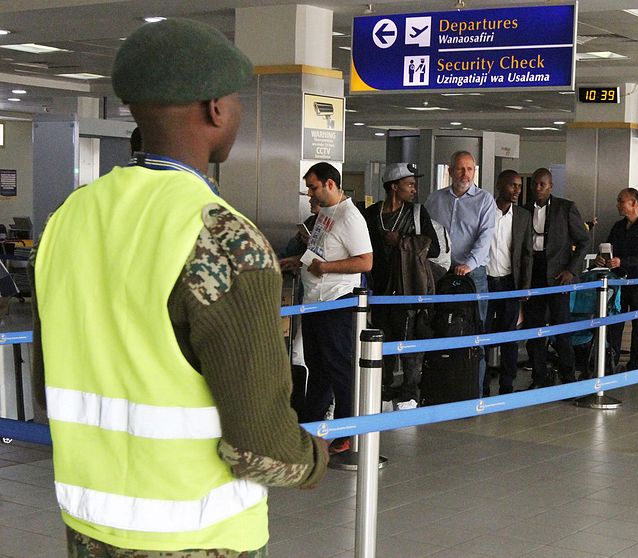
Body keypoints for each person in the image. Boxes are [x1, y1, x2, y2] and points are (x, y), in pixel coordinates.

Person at [31, 19, 328, 556]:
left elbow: (49, 384)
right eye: (238, 101)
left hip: (89, 527)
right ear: (216, 108)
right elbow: (262, 449)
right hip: (197, 536)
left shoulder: (67, 219)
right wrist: (313, 459)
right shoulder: (224, 238)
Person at [280, 162, 373, 433]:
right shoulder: (326, 214)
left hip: (337, 303)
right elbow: (318, 252)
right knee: (317, 367)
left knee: (340, 370)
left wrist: (326, 268)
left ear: (330, 184)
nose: (310, 194)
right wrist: (296, 261)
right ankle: (312, 425)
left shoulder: (350, 217)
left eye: (312, 187)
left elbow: (365, 262)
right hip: (314, 302)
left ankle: (346, 430)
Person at [364, 163, 439, 409]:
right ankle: (382, 391)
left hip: (410, 289)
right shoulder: (372, 214)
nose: (414, 189)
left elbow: (434, 248)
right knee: (381, 344)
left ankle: (410, 394)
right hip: (379, 290)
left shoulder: (417, 213)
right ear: (394, 187)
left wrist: (403, 241)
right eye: (409, 184)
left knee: (410, 344)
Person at [523, 167, 591, 387]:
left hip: (558, 275)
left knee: (562, 329)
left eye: (542, 184)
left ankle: (568, 377)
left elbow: (584, 240)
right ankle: (539, 377)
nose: (537, 188)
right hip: (533, 273)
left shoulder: (565, 208)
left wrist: (571, 270)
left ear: (551, 186)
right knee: (534, 330)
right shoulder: (524, 210)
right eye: (534, 183)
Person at [425, 151, 497, 323]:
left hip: (472, 273)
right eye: (460, 169)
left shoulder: (485, 200)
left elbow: (485, 237)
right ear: (450, 171)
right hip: (440, 271)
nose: (466, 174)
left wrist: (469, 265)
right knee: (440, 320)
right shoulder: (435, 198)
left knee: (475, 322)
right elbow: (426, 232)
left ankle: (476, 351)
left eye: (470, 169)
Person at [484, 169, 533, 395]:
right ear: (499, 185)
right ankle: (482, 384)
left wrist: (525, 285)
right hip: (485, 282)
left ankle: (507, 385)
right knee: (483, 334)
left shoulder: (523, 216)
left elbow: (526, 254)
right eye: (513, 185)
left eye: (520, 186)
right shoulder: (484, 211)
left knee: (510, 337)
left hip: (509, 284)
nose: (517, 190)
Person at [600, 188, 638, 372]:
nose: (618, 204)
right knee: (616, 321)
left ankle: (635, 361)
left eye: (621, 201)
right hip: (619, 281)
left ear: (633, 203)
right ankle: (612, 359)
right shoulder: (618, 227)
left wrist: (622, 261)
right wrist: (602, 258)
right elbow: (609, 246)